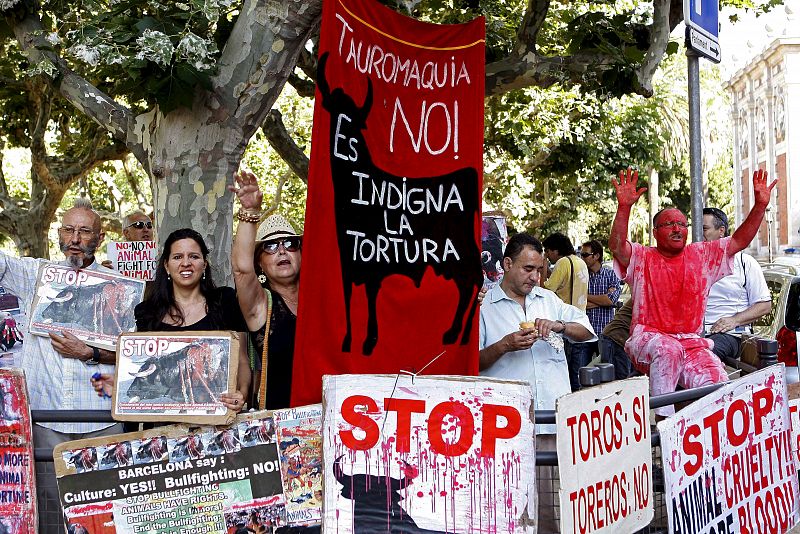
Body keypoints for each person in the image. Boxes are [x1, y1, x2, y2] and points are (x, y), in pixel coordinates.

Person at [609, 168, 776, 416]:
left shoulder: (702, 255)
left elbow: (739, 241)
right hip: (648, 338)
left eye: (681, 223)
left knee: (716, 381)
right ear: (655, 233)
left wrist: (760, 206)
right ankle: (664, 429)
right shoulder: (643, 256)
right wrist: (624, 208)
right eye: (669, 224)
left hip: (691, 343)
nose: (677, 229)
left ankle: (710, 447)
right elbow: (617, 246)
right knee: (668, 351)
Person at [0, 198, 124, 527]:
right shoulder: (35, 275)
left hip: (100, 421)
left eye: (85, 231)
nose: (75, 238)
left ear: (100, 237)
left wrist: (91, 353)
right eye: (68, 229)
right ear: (59, 234)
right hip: (45, 421)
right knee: (51, 518)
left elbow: (134, 351)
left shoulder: (119, 288)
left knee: (104, 519)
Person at [479, 232, 595, 533]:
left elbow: (587, 330)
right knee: (506, 500)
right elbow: (470, 363)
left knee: (551, 503)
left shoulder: (548, 300)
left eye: (540, 269)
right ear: (506, 264)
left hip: (549, 420)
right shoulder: (483, 308)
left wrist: (559, 325)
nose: (535, 277)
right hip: (505, 426)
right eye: (527, 269)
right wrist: (504, 345)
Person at [94, 228, 250, 411]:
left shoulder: (226, 300)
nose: (186, 263)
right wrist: (121, 386)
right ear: (167, 266)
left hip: (216, 420)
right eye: (177, 257)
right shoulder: (146, 312)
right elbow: (151, 370)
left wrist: (243, 393)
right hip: (164, 426)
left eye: (194, 256)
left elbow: (243, 361)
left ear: (204, 264)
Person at [230, 171, 301, 410]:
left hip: (334, 419)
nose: (282, 251)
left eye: (290, 244)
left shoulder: (322, 298)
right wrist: (250, 213)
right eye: (271, 246)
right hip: (280, 430)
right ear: (259, 262)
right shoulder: (262, 304)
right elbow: (241, 270)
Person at [701, 207, 771, 360]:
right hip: (695, 334)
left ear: (721, 231)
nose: (699, 234)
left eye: (704, 229)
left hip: (729, 335)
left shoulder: (745, 262)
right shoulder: (694, 260)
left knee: (703, 354)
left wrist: (734, 320)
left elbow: (764, 305)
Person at [569, 240, 621, 387]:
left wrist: (584, 296)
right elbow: (576, 302)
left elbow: (610, 300)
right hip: (583, 332)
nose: (582, 258)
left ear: (596, 256)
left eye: (585, 255)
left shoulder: (610, 274)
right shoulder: (580, 277)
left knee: (606, 377)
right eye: (581, 255)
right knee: (579, 376)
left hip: (604, 333)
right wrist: (601, 300)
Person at [542, 232, 590, 391]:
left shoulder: (563, 262)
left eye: (547, 251)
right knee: (577, 372)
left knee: (566, 373)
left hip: (565, 324)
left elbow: (546, 289)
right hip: (580, 323)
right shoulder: (580, 262)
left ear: (556, 250)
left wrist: (543, 269)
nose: (547, 256)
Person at [599, 299, 633, 380]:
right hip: (616, 338)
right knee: (619, 383)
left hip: (622, 339)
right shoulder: (647, 293)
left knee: (627, 381)